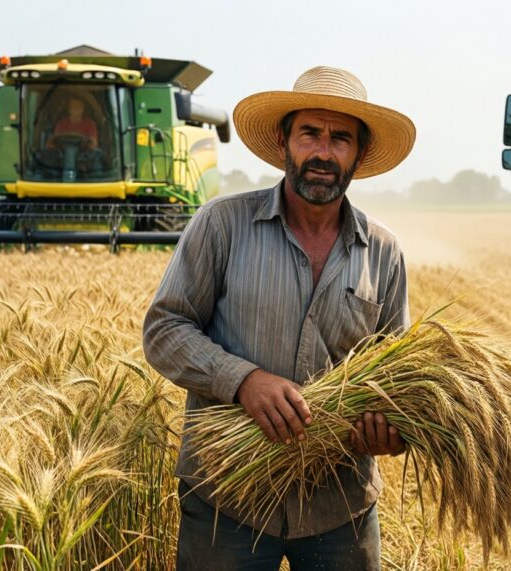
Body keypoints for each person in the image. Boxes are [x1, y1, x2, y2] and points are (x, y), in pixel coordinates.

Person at [142, 66, 416, 570]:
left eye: (341, 139)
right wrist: (242, 380)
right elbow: (164, 329)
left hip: (340, 507)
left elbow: (396, 377)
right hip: (228, 500)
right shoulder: (221, 225)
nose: (323, 152)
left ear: (358, 154)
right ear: (283, 139)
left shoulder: (384, 252)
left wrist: (390, 430)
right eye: (310, 132)